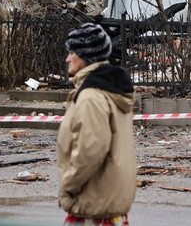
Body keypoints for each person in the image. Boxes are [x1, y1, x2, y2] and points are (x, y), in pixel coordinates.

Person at [57, 23, 137, 226]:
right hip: (108, 205)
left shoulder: (91, 97)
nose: (67, 58)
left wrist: (68, 185)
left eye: (72, 52)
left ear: (85, 56)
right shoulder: (111, 89)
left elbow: (90, 151)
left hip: (92, 206)